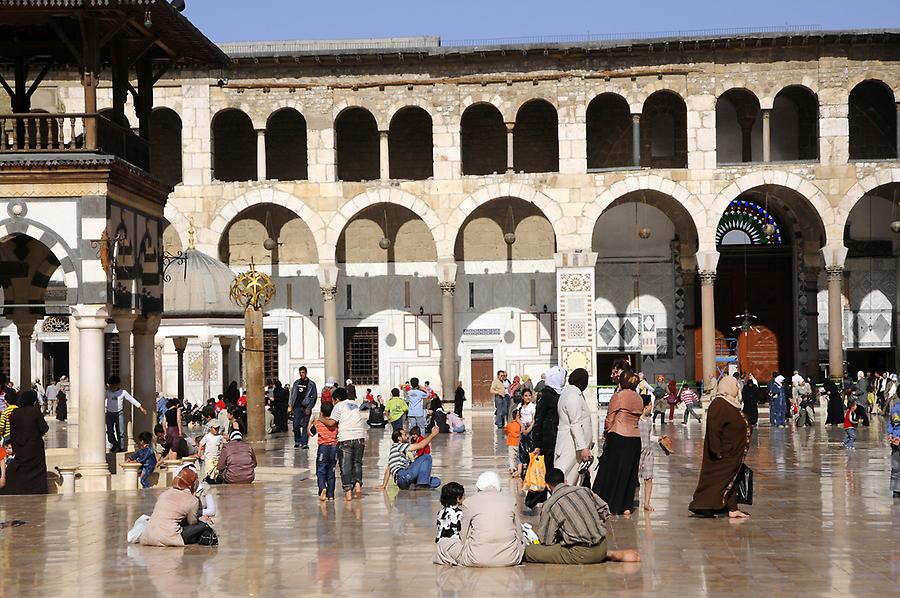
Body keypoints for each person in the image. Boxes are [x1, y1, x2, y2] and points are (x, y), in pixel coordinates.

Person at [524, 468, 640, 564]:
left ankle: (599, 555)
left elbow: (547, 541)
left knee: (529, 551)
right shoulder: (584, 490)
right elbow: (604, 510)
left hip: (580, 553)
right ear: (565, 481)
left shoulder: (550, 504)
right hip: (601, 545)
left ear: (547, 486)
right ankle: (608, 554)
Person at [689, 376, 751, 519]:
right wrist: (717, 451)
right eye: (735, 385)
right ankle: (704, 505)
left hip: (733, 453)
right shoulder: (719, 404)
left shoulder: (731, 403)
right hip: (724, 454)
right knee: (717, 480)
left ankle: (732, 508)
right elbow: (714, 430)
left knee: (731, 480)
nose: (738, 388)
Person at [433, 471, 525, 567]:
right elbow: (519, 533)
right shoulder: (510, 501)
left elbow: (463, 536)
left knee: (444, 543)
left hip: (476, 558)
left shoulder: (469, 503)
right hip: (511, 558)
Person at [592, 372, 643, 515]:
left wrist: (606, 433)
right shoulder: (638, 398)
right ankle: (626, 505)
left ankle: (611, 503)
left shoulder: (619, 396)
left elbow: (610, 418)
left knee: (612, 471)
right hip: (635, 438)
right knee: (628, 472)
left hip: (619, 436)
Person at [140, 466, 216, 546]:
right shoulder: (193, 500)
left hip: (147, 536)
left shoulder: (165, 493)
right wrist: (202, 520)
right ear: (192, 484)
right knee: (203, 526)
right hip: (167, 538)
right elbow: (192, 523)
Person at [320, 387, 366, 501]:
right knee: (357, 463)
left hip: (346, 438)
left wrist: (320, 419)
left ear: (336, 399)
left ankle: (348, 492)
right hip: (360, 436)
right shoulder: (354, 404)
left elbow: (331, 422)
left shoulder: (338, 406)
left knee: (345, 465)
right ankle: (358, 485)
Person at [3, 391, 49, 495]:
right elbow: (44, 428)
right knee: (37, 472)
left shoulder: (14, 413)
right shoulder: (34, 412)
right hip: (35, 448)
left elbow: (12, 433)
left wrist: (14, 447)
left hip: (20, 447)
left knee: (20, 470)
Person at [554, 368, 593, 486]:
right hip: (570, 446)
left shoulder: (572, 393)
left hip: (573, 446)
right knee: (564, 479)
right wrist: (583, 447)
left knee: (571, 480)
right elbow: (575, 423)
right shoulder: (573, 396)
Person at [377, 425, 441, 490]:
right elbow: (421, 445)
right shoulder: (399, 446)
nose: (408, 436)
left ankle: (416, 484)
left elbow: (389, 469)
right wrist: (432, 435)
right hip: (403, 475)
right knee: (427, 457)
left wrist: (384, 485)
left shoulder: (394, 450)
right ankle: (422, 484)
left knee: (437, 481)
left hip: (401, 482)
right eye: (405, 435)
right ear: (399, 438)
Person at [532, 366, 565, 471]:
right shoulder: (546, 395)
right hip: (548, 439)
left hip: (557, 437)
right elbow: (538, 420)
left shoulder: (558, 394)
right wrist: (537, 444)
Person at [105, 375, 148, 452]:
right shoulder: (107, 392)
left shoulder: (123, 392)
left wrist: (140, 407)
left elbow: (131, 399)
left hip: (119, 413)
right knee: (110, 432)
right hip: (109, 414)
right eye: (110, 385)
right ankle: (115, 443)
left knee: (121, 432)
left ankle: (121, 447)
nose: (111, 387)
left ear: (117, 385)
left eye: (113, 386)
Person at [309, 402, 339, 500]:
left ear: (321, 412)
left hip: (323, 448)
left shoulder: (319, 423)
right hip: (334, 448)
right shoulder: (335, 423)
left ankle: (322, 488)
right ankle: (331, 495)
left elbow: (310, 433)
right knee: (331, 471)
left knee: (321, 470)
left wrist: (311, 422)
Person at [638, 398, 662, 512]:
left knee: (648, 478)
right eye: (651, 404)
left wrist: (659, 439)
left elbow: (650, 436)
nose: (652, 407)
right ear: (646, 406)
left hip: (648, 453)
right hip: (637, 452)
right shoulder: (636, 420)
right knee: (633, 478)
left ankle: (646, 503)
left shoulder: (649, 420)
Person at [289, 366, 318, 449]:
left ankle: (304, 442)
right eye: (300, 373)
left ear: (306, 373)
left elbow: (314, 397)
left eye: (303, 372)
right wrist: (290, 405)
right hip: (297, 407)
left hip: (305, 407)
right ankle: (297, 440)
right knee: (296, 425)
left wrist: (309, 407)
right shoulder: (296, 383)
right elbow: (292, 395)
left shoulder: (311, 384)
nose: (302, 374)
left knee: (305, 425)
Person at [887, 399, 900, 498]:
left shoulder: (894, 408)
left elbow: (890, 424)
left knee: (896, 466)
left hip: (895, 440)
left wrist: (891, 434)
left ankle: (896, 490)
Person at [504, 409, 523, 477]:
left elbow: (505, 431)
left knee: (511, 457)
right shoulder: (521, 425)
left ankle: (512, 468)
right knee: (518, 457)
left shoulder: (509, 425)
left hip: (511, 443)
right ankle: (519, 468)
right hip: (518, 443)